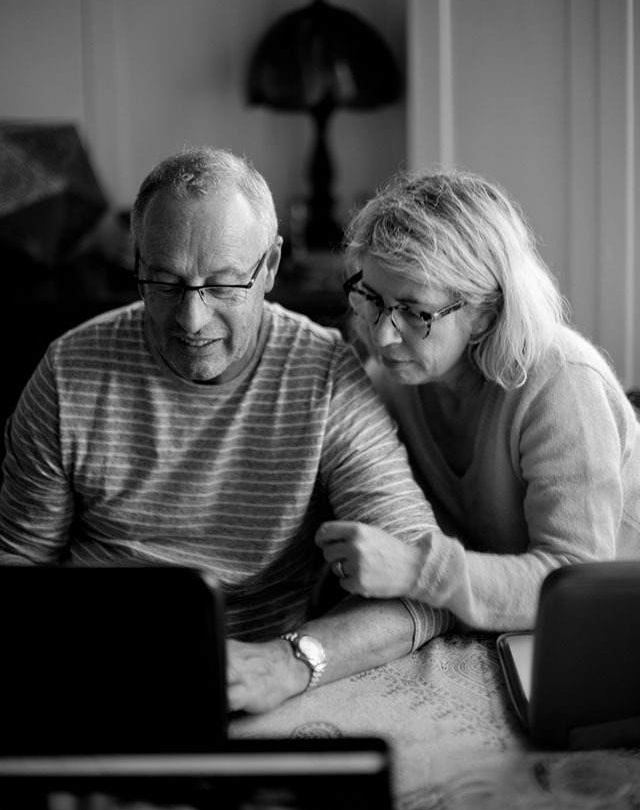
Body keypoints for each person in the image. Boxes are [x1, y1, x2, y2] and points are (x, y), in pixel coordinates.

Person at [0, 147, 452, 715]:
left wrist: (292, 661)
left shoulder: (325, 380)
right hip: (87, 678)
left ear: (269, 268)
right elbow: (16, 572)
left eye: (223, 285)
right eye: (164, 282)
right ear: (136, 262)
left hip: (256, 689)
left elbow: (425, 588)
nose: (192, 320)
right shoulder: (68, 372)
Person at [316, 168, 640, 631]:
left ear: (485, 316)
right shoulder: (388, 383)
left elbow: (575, 585)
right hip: (499, 627)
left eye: (414, 312)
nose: (383, 335)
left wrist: (415, 568)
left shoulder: (562, 382)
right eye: (371, 298)